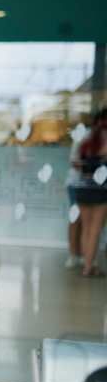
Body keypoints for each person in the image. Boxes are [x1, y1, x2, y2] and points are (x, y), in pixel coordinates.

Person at [71, 108, 107, 277]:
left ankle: (88, 264)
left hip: (82, 187)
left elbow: (75, 163)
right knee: (95, 230)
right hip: (100, 190)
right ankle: (88, 267)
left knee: (86, 228)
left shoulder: (85, 141)